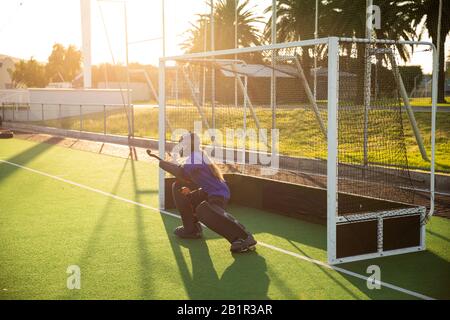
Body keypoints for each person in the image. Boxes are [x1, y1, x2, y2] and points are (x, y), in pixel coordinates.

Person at [157, 132, 257, 253]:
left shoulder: (196, 156)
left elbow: (182, 173)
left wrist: (164, 165)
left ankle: (244, 237)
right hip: (206, 193)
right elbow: (188, 178)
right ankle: (191, 229)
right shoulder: (195, 157)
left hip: (217, 194)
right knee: (178, 187)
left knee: (204, 212)